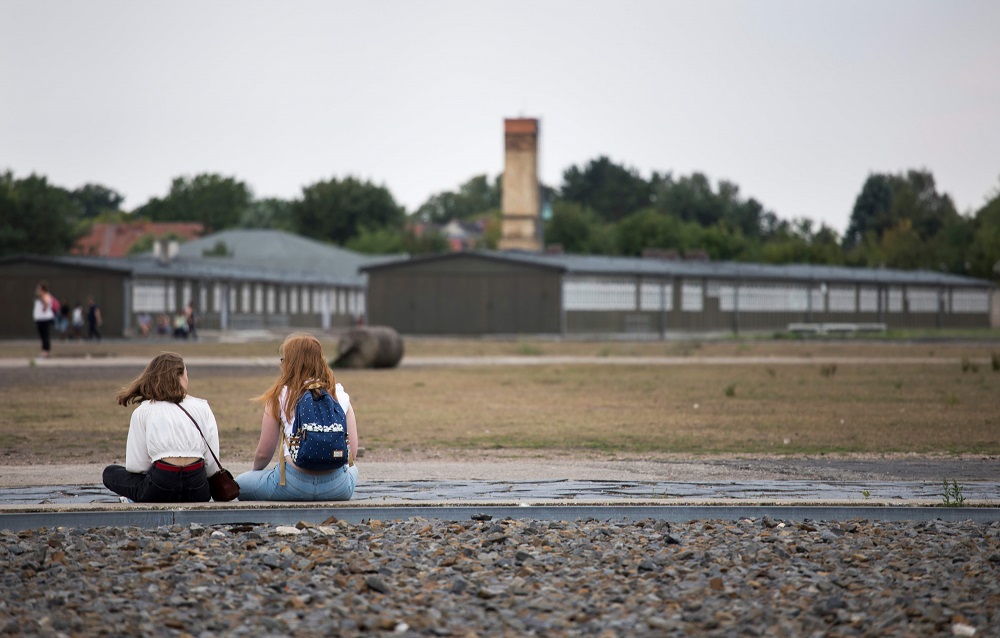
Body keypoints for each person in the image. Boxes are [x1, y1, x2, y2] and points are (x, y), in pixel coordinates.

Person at [236, 333, 359, 501]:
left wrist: (256, 473)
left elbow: (264, 453)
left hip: (292, 485)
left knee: (239, 484)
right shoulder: (339, 394)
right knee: (354, 469)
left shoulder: (280, 396)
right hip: (337, 488)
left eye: (283, 360)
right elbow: (353, 452)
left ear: (290, 363)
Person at [102, 353, 225, 503]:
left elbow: (137, 466)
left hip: (159, 488)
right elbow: (212, 465)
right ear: (180, 376)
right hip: (198, 490)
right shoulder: (202, 407)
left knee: (110, 473)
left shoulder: (143, 411)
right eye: (186, 373)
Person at [32, 281, 56, 358]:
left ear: (42, 290)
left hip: (44, 319)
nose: (37, 290)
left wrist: (44, 307)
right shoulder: (42, 297)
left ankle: (46, 351)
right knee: (43, 336)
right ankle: (44, 350)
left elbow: (45, 304)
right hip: (41, 319)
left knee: (45, 335)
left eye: (39, 289)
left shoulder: (45, 296)